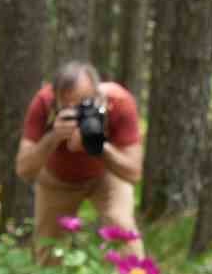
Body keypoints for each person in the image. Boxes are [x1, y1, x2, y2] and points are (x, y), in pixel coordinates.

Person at [15, 61, 143, 258]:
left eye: (84, 103)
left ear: (98, 94)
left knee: (122, 228)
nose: (76, 112)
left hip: (106, 175)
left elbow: (133, 173)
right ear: (55, 99)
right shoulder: (43, 103)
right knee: (47, 248)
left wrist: (98, 145)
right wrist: (53, 137)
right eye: (68, 106)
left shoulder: (118, 102)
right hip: (56, 178)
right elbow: (23, 169)